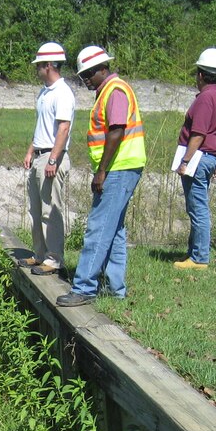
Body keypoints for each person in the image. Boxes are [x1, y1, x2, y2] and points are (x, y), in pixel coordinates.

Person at [55, 46, 146, 308]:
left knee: (98, 227)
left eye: (89, 73)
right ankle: (116, 289)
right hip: (123, 167)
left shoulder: (115, 91)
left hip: (118, 168)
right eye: (83, 73)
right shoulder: (109, 90)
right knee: (114, 229)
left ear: (102, 69)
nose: (85, 78)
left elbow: (116, 131)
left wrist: (102, 170)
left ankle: (84, 287)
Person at [17, 42, 75, 276]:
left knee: (51, 210)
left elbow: (63, 128)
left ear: (49, 65)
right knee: (36, 209)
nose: (37, 70)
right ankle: (39, 254)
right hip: (40, 154)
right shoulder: (44, 93)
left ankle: (53, 259)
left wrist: (53, 159)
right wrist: (31, 150)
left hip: (52, 155)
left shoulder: (62, 93)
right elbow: (42, 127)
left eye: (39, 66)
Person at [174, 48, 216, 270]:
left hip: (198, 158)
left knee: (197, 207)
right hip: (210, 157)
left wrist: (186, 161)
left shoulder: (205, 99)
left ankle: (199, 257)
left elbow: (198, 134)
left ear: (200, 75)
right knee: (198, 206)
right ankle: (194, 252)